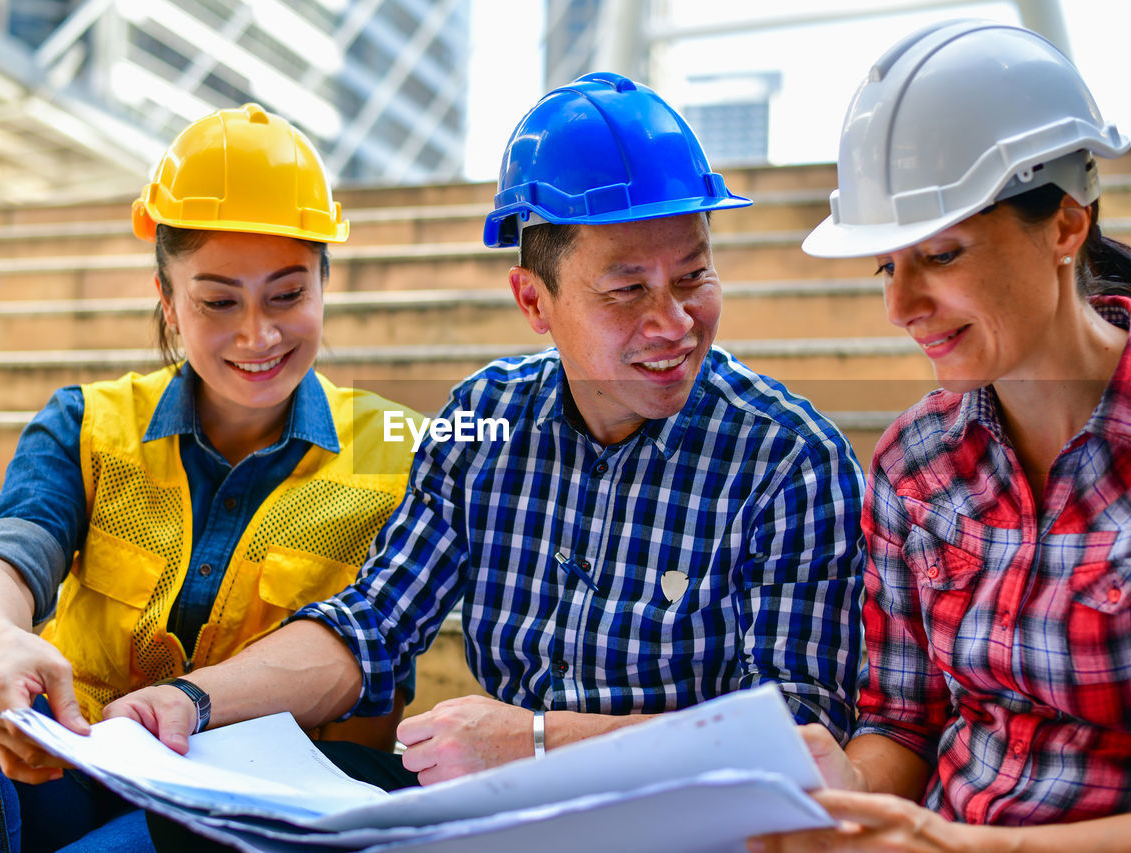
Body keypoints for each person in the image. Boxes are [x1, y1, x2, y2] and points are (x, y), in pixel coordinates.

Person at [119, 72, 865, 847]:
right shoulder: (486, 419)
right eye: (626, 289)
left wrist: (537, 741)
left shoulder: (788, 461)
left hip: (682, 828)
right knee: (210, 817)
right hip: (496, 817)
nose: (673, 322)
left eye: (693, 276)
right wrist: (190, 700)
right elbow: (372, 623)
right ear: (533, 300)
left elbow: (793, 739)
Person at [0, 103, 418, 852]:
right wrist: (2, 642)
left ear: (324, 282)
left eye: (288, 293)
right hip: (84, 763)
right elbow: (8, 550)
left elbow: (365, 649)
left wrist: (190, 704)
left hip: (258, 800)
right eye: (217, 301)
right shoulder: (91, 423)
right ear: (168, 300)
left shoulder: (399, 453)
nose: (258, 334)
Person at [750, 20, 1131, 853]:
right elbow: (904, 722)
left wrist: (960, 847)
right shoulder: (915, 464)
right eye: (888, 266)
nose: (900, 306)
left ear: (1065, 226)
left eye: (941, 255)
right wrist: (846, 792)